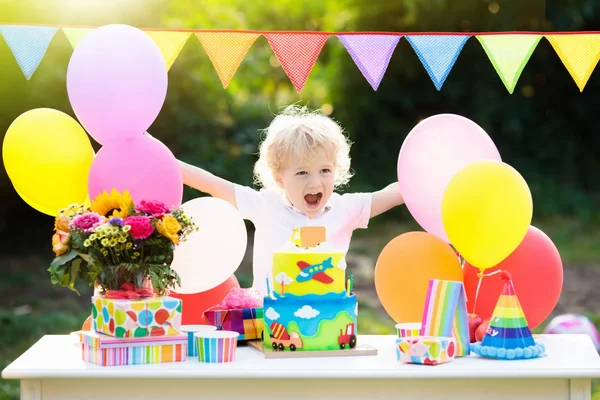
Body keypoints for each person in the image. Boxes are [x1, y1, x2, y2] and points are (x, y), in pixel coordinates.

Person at [179, 105, 404, 296]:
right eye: (302, 173)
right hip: (268, 322)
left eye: (325, 170)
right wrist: (160, 157)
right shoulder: (265, 205)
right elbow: (212, 184)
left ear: (336, 169)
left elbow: (396, 192)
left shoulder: (345, 209)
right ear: (279, 178)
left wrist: (430, 177)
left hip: (327, 322)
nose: (315, 183)